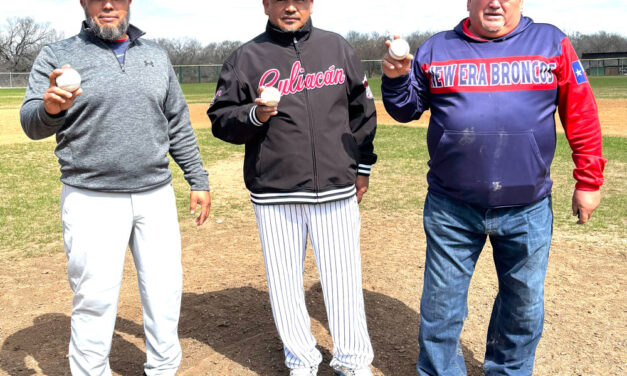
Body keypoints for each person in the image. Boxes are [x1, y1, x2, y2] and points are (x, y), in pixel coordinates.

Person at [381, 0, 606, 375]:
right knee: (440, 307)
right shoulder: (436, 49)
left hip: (527, 208)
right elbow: (405, 109)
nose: (495, 2)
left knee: (522, 306)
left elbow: (580, 113)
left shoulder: (550, 42)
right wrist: (395, 77)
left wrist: (589, 180)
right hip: (452, 207)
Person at [20, 0, 211, 375]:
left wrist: (197, 179)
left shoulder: (155, 55)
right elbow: (31, 122)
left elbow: (177, 122)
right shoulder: (58, 55)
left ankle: (163, 368)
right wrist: (50, 110)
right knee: (94, 298)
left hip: (154, 194)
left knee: (164, 292)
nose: (108, 4)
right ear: (83, 3)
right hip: (91, 196)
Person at [208, 1, 377, 375]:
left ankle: (353, 361)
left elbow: (362, 111)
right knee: (284, 284)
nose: (290, 7)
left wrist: (362, 165)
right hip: (274, 190)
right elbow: (220, 120)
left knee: (343, 280)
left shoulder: (338, 48)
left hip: (335, 186)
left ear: (311, 3)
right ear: (265, 4)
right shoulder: (245, 57)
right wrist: (255, 114)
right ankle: (301, 360)